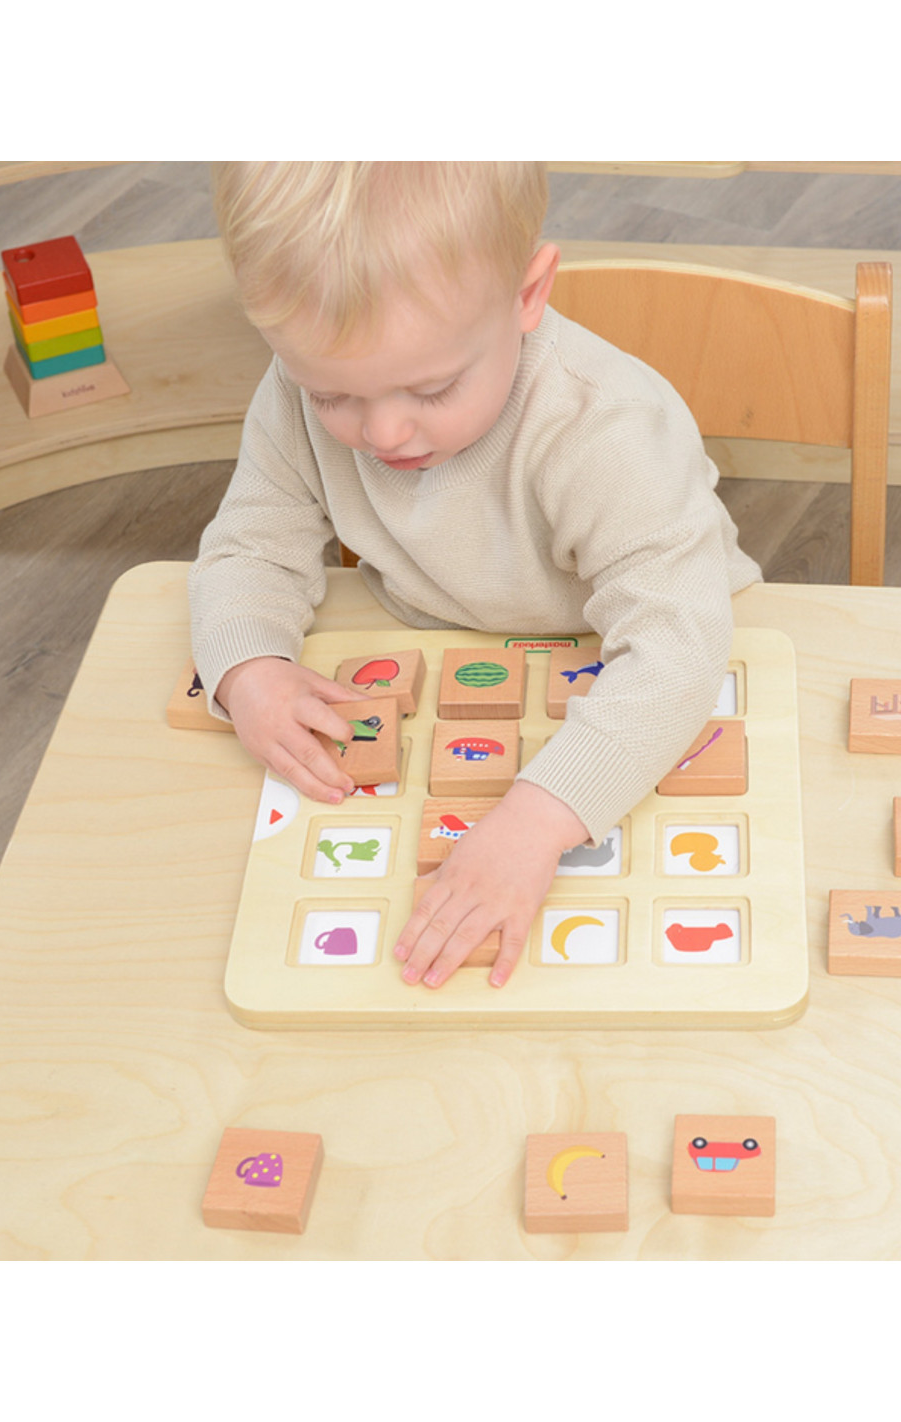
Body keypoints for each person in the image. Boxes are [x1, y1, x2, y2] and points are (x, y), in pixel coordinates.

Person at [190, 162, 761, 992]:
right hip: (450, 656)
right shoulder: (294, 390)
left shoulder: (606, 426)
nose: (383, 432)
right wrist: (247, 668)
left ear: (527, 294)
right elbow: (249, 545)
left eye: (432, 388)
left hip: (644, 671)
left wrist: (540, 819)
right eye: (331, 396)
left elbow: (679, 647)